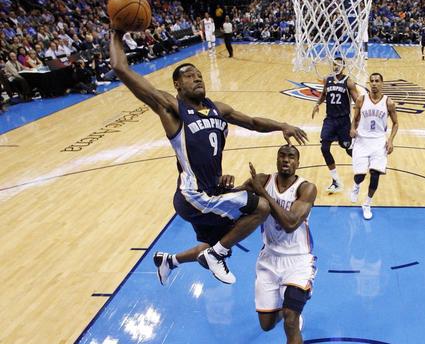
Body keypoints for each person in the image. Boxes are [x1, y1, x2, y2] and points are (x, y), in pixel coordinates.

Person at [109, 30, 309, 285]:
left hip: (211, 189)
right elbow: (121, 68)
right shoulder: (172, 109)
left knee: (219, 238)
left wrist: (282, 125)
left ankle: (169, 260)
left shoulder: (218, 109)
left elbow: (253, 122)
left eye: (199, 75)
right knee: (261, 207)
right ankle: (217, 255)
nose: (197, 79)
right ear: (177, 85)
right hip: (192, 195)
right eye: (189, 76)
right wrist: (116, 31)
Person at [243, 145, 317, 344]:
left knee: (291, 321)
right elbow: (234, 198)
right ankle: (286, 311)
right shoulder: (262, 181)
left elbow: (290, 223)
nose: (286, 160)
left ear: (298, 163)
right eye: (282, 156)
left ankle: (292, 313)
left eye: (291, 157)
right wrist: (225, 185)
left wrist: (263, 194)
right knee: (266, 325)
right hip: (269, 259)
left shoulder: (306, 188)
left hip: (298, 260)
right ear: (276, 160)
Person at [349, 73, 399, 220]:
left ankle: (367, 203)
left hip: (378, 141)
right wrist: (352, 128)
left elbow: (396, 123)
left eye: (377, 81)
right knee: (360, 176)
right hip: (362, 140)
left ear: (382, 83)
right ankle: (356, 186)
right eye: (372, 81)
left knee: (375, 175)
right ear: (369, 84)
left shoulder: (389, 102)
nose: (374, 84)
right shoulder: (361, 99)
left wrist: (390, 140)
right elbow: (355, 118)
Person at [312, 57, 360, 194]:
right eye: (334, 64)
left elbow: (358, 102)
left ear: (343, 66)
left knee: (347, 148)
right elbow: (323, 95)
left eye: (339, 64)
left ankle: (362, 162)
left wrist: (354, 124)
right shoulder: (327, 79)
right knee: (324, 147)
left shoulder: (348, 82)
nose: (336, 66)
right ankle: (336, 180)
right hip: (330, 120)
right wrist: (317, 104)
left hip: (344, 121)